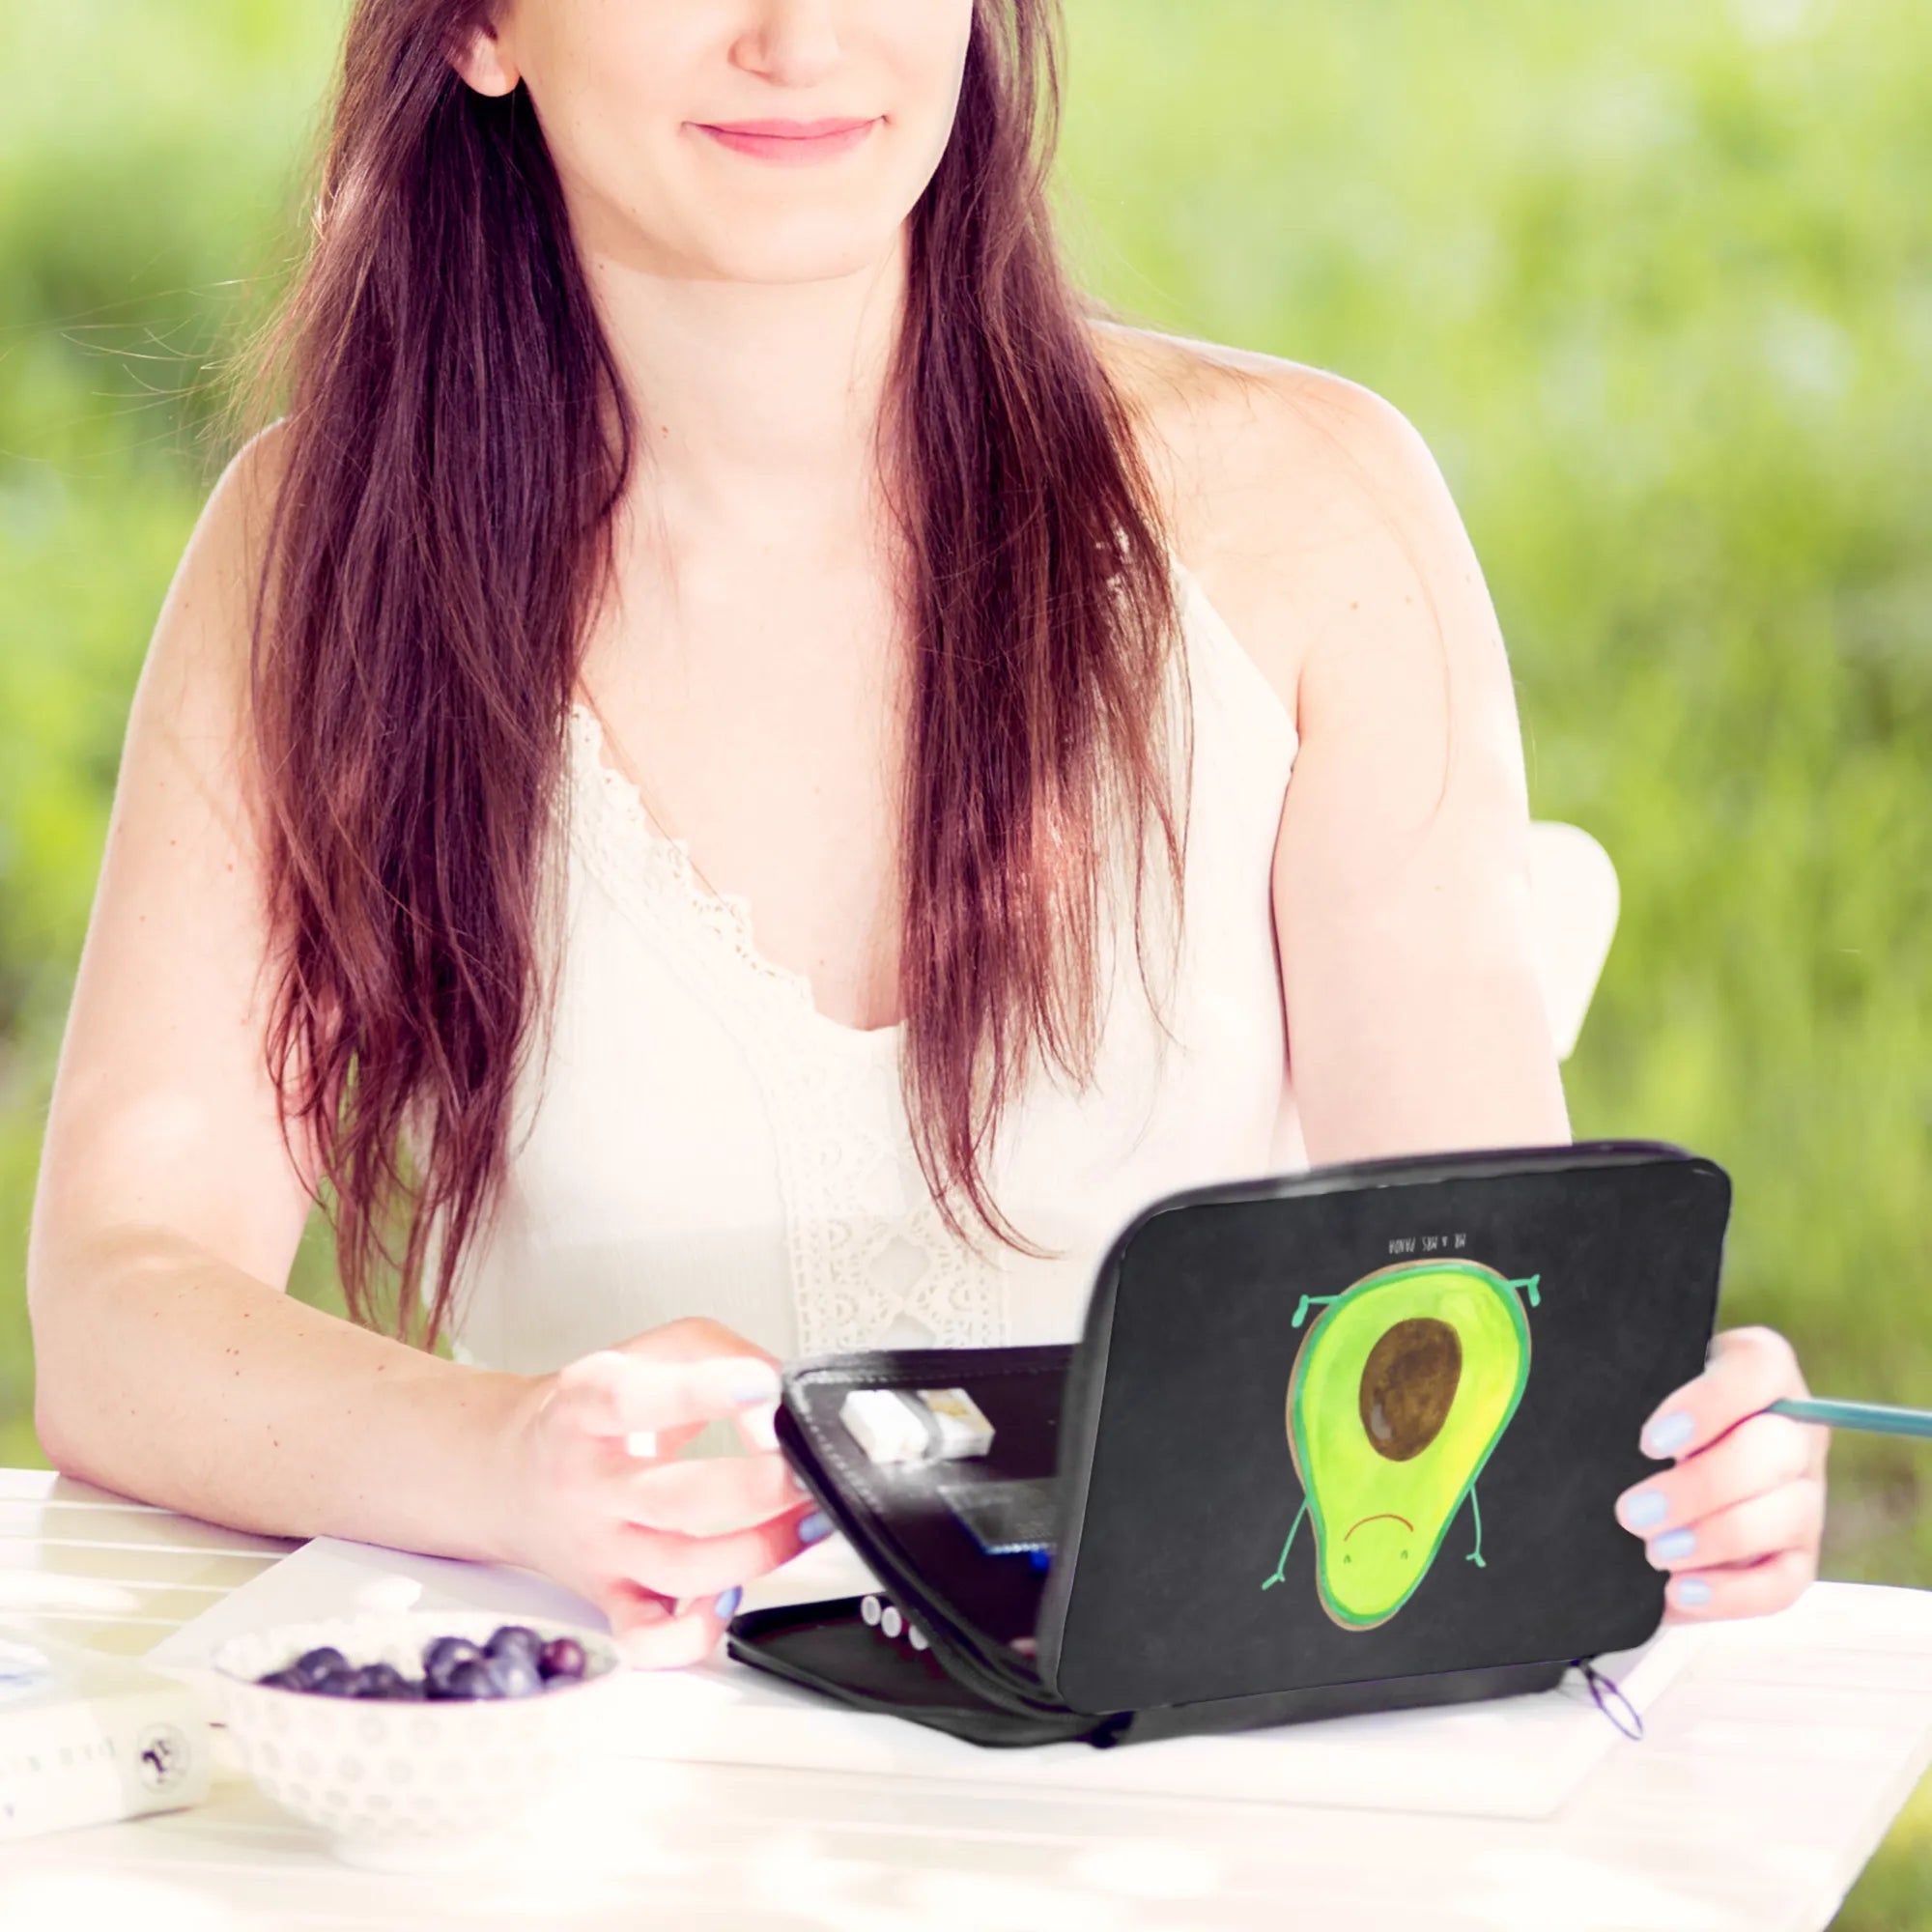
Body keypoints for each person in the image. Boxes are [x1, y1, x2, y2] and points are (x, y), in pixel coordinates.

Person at [26, 0, 1827, 1669]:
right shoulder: (329, 555)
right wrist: (504, 1456)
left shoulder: (1308, 519)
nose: (800, 38)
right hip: (606, 1772)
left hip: (1199, 1776)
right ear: (481, 26)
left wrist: (1671, 1455)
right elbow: (118, 1315)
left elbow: (1491, 1304)